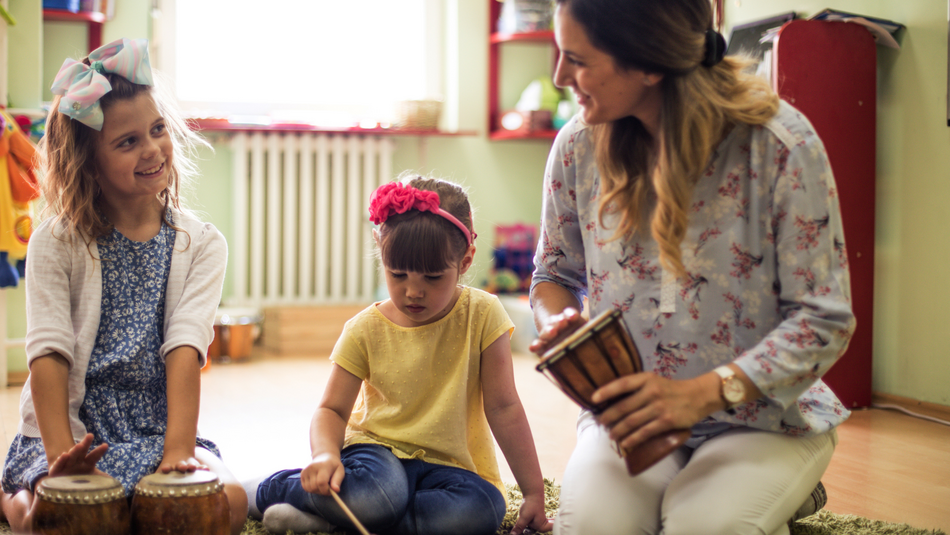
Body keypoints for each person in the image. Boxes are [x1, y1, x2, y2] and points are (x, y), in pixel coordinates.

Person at [528, 1, 856, 534]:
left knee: (699, 527)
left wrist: (698, 395)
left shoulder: (780, 145)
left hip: (765, 421)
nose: (560, 76)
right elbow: (552, 275)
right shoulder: (577, 147)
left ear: (650, 65)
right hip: (632, 422)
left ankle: (780, 491)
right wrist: (558, 324)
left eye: (576, 59)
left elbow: (824, 320)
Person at [0, 38, 248, 534]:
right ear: (89, 161)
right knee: (47, 520)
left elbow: (185, 349)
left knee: (232, 504)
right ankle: (11, 496)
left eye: (157, 129)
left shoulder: (201, 245)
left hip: (157, 428)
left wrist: (178, 452)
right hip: (73, 428)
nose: (152, 148)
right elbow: (48, 353)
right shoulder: (56, 240)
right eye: (127, 141)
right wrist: (58, 462)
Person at [244, 175, 553, 535]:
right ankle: (268, 490)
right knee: (377, 496)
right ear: (381, 249)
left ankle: (334, 523)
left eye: (433, 277)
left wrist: (532, 491)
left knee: (483, 509)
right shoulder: (364, 329)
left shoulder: (484, 315)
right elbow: (331, 409)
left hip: (450, 466)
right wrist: (326, 455)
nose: (413, 291)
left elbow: (504, 407)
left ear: (465, 260)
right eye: (398, 274)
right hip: (376, 455)